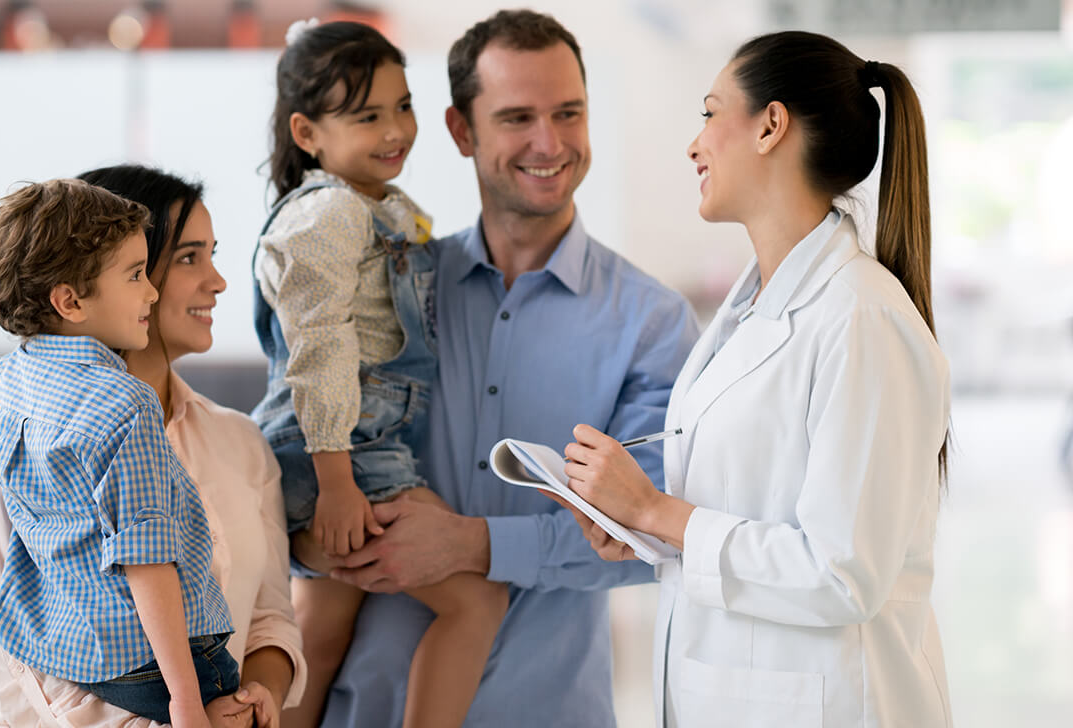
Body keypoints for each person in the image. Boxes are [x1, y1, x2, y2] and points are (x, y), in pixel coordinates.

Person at [302, 10, 700, 727]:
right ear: (461, 130)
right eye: (517, 117)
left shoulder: (653, 323)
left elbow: (652, 541)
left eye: (568, 113)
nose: (549, 143)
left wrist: (470, 545)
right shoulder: (386, 289)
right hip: (369, 709)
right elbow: (315, 464)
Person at [556, 31, 953, 727]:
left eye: (710, 114)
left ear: (771, 125)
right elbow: (751, 505)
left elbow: (840, 572)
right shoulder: (751, 310)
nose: (694, 143)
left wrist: (659, 513)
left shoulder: (860, 317)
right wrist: (650, 534)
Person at [0, 166, 305, 728]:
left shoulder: (241, 441)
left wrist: (256, 694)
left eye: (213, 254)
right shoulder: (14, 432)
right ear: (74, 295)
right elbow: (8, 667)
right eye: (187, 257)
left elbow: (270, 618)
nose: (217, 280)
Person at [250, 19, 508, 728]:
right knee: (478, 601)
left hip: (357, 449)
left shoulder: (382, 209)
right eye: (368, 116)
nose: (396, 129)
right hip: (345, 455)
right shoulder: (327, 214)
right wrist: (337, 483)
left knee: (320, 637)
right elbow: (321, 349)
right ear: (308, 134)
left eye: (403, 106)